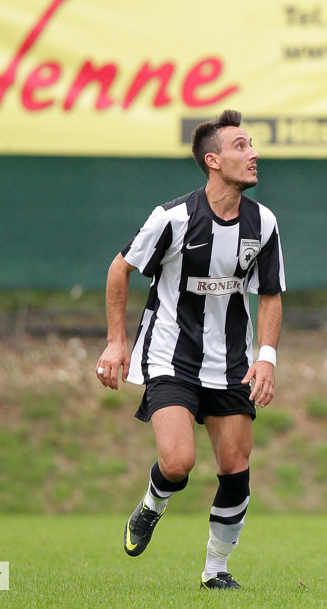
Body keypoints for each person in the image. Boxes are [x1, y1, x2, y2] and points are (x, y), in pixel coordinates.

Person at [95, 109, 285, 591]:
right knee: (178, 463)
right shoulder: (173, 218)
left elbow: (269, 295)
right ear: (213, 160)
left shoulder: (263, 223)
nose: (254, 154)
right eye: (241, 146)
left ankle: (215, 572)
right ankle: (152, 504)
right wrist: (118, 342)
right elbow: (121, 270)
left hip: (231, 364)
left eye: (252, 145)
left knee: (235, 469)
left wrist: (267, 356)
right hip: (169, 357)